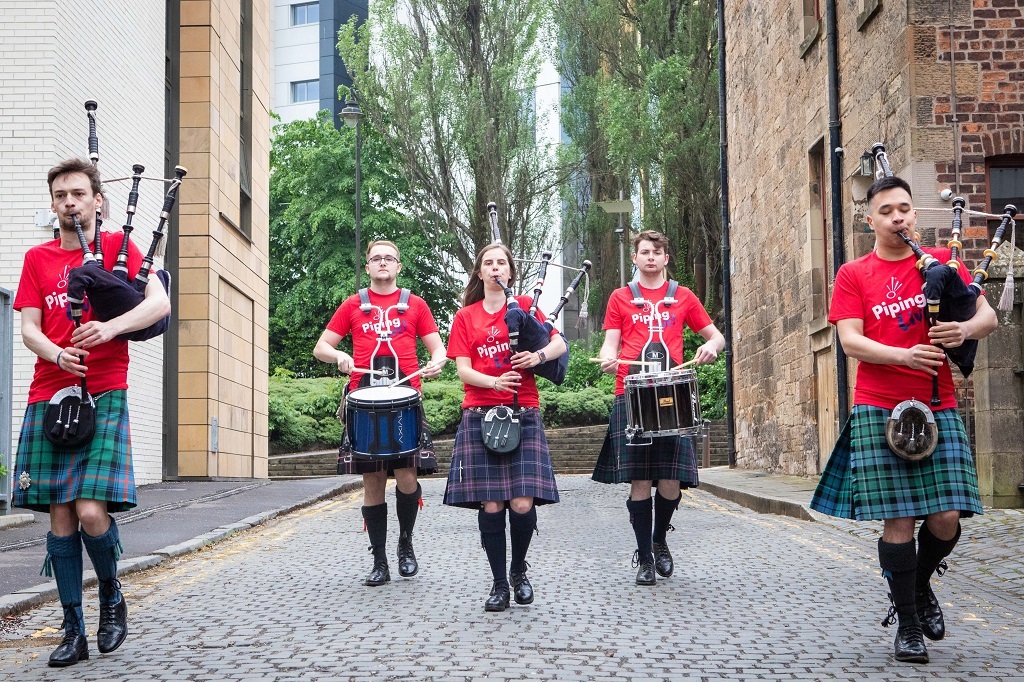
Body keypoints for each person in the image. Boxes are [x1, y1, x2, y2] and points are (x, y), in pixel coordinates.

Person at [810, 176, 997, 664]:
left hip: (939, 405)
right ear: (869, 219)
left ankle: (915, 586)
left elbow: (988, 317)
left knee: (946, 516)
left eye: (905, 209)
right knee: (898, 521)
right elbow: (850, 341)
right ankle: (909, 626)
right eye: (887, 210)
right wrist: (902, 357)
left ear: (915, 214)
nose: (899, 217)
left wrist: (963, 329)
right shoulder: (854, 273)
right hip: (879, 405)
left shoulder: (940, 263)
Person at [12, 158, 171, 667]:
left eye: (78, 193)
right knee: (59, 515)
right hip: (49, 393)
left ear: (98, 200)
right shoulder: (37, 258)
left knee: (88, 511)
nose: (69, 202)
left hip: (104, 392)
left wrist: (111, 327)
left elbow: (159, 306)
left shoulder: (118, 251)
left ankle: (111, 598)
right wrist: (56, 353)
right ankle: (73, 626)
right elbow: (30, 328)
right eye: (60, 195)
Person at [592, 230, 725, 586]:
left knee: (669, 482)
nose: (651, 257)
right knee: (638, 480)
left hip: (673, 396)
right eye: (644, 252)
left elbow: (716, 335)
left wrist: (711, 346)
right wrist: (608, 359)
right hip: (631, 394)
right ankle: (645, 558)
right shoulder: (620, 298)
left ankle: (660, 540)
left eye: (658, 252)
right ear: (634, 258)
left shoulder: (682, 296)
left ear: (666, 258)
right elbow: (610, 344)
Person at [314, 240, 446, 587]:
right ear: (368, 267)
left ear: (398, 266)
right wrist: (339, 357)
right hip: (363, 401)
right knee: (372, 481)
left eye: (389, 258)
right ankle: (380, 559)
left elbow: (438, 350)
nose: (383, 263)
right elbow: (321, 347)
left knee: (406, 478)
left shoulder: (415, 305)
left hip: (406, 401)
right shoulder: (353, 305)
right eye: (376, 259)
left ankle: (406, 543)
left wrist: (435, 363)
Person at [442, 243, 565, 612]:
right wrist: (493, 383)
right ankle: (498, 584)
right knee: (492, 503)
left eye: (502, 263)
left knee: (522, 502)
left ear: (511, 272)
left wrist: (536, 355)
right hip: (480, 412)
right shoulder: (466, 317)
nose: (495, 268)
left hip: (523, 410)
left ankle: (518, 570)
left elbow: (558, 344)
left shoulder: (526, 307)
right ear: (479, 273)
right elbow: (462, 369)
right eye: (488, 263)